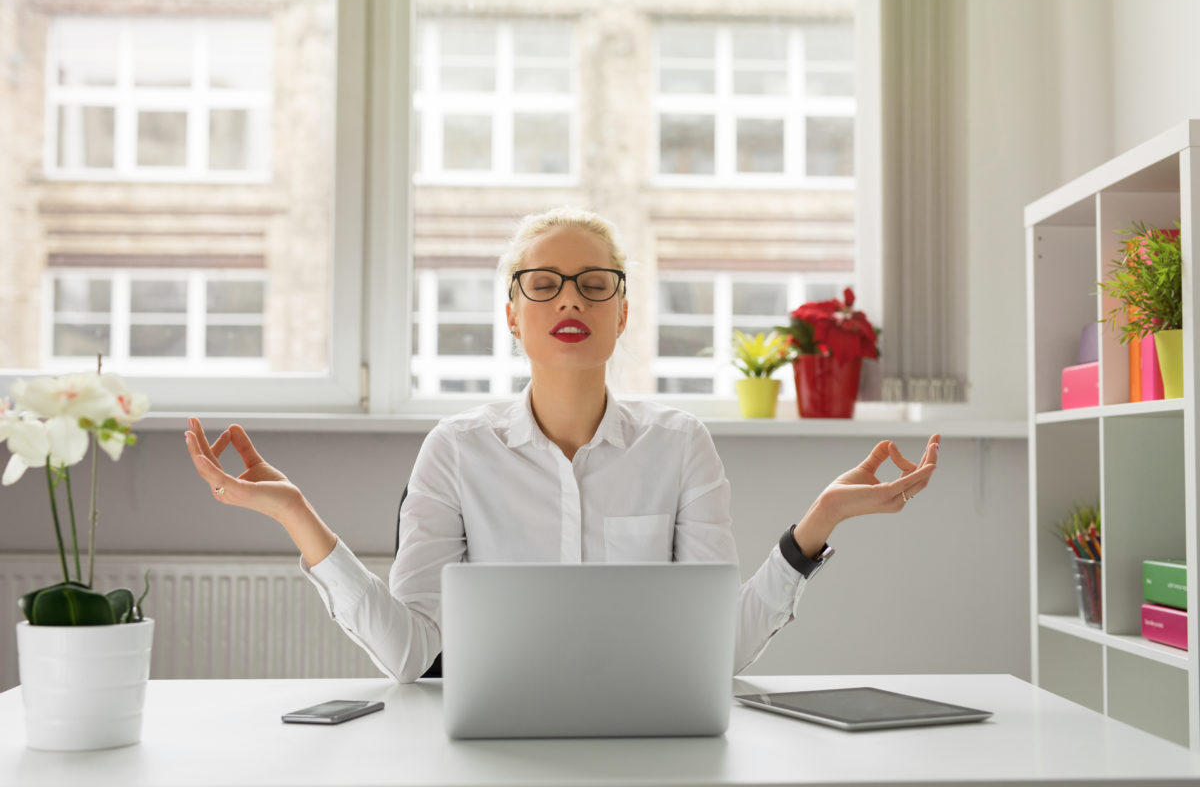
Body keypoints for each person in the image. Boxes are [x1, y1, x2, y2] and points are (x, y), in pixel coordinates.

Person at [183, 206, 940, 683]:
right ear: (512, 317)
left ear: (623, 313)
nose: (570, 298)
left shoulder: (680, 446)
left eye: (593, 283)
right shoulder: (455, 451)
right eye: (542, 283)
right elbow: (412, 656)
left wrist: (817, 528)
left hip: (653, 748)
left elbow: (720, 653)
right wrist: (296, 517)